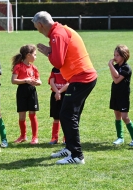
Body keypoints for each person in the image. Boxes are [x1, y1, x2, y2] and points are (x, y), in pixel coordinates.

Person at [32, 11, 97, 164]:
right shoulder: (60, 30)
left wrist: (49, 52)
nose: (37, 30)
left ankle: (76, 155)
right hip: (82, 77)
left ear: (40, 24)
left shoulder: (57, 34)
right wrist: (50, 51)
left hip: (82, 78)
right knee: (68, 115)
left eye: (36, 27)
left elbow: (58, 62)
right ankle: (70, 148)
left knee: (67, 115)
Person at [108, 45, 133, 147]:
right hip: (115, 94)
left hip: (123, 96)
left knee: (125, 117)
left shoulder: (126, 68)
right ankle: (120, 137)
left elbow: (116, 79)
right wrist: (112, 67)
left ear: (124, 56)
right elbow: (114, 77)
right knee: (117, 115)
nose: (115, 57)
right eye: (114, 55)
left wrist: (110, 65)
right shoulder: (116, 67)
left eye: (117, 55)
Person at [11, 44, 42, 145]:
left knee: (32, 114)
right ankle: (23, 136)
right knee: (22, 116)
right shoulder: (18, 66)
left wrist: (37, 82)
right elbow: (13, 80)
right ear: (28, 55)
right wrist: (25, 80)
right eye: (35, 54)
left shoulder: (34, 68)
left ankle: (35, 137)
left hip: (32, 91)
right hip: (22, 92)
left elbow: (39, 81)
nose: (36, 57)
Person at [48, 67, 68, 145]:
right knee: (56, 117)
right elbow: (51, 81)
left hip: (65, 94)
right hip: (55, 94)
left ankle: (66, 138)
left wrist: (59, 91)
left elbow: (69, 83)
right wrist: (57, 92)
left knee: (66, 117)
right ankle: (54, 138)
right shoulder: (54, 69)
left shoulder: (67, 69)